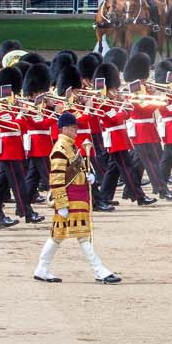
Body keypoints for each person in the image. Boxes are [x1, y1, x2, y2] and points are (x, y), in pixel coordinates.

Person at [35, 114, 120, 283]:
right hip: (70, 198)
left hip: (78, 196)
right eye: (73, 128)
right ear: (64, 129)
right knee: (82, 235)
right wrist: (61, 204)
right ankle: (99, 270)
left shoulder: (71, 147)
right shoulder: (60, 149)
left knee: (58, 236)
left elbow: (75, 171)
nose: (76, 130)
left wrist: (88, 176)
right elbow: (57, 178)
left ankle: (42, 268)